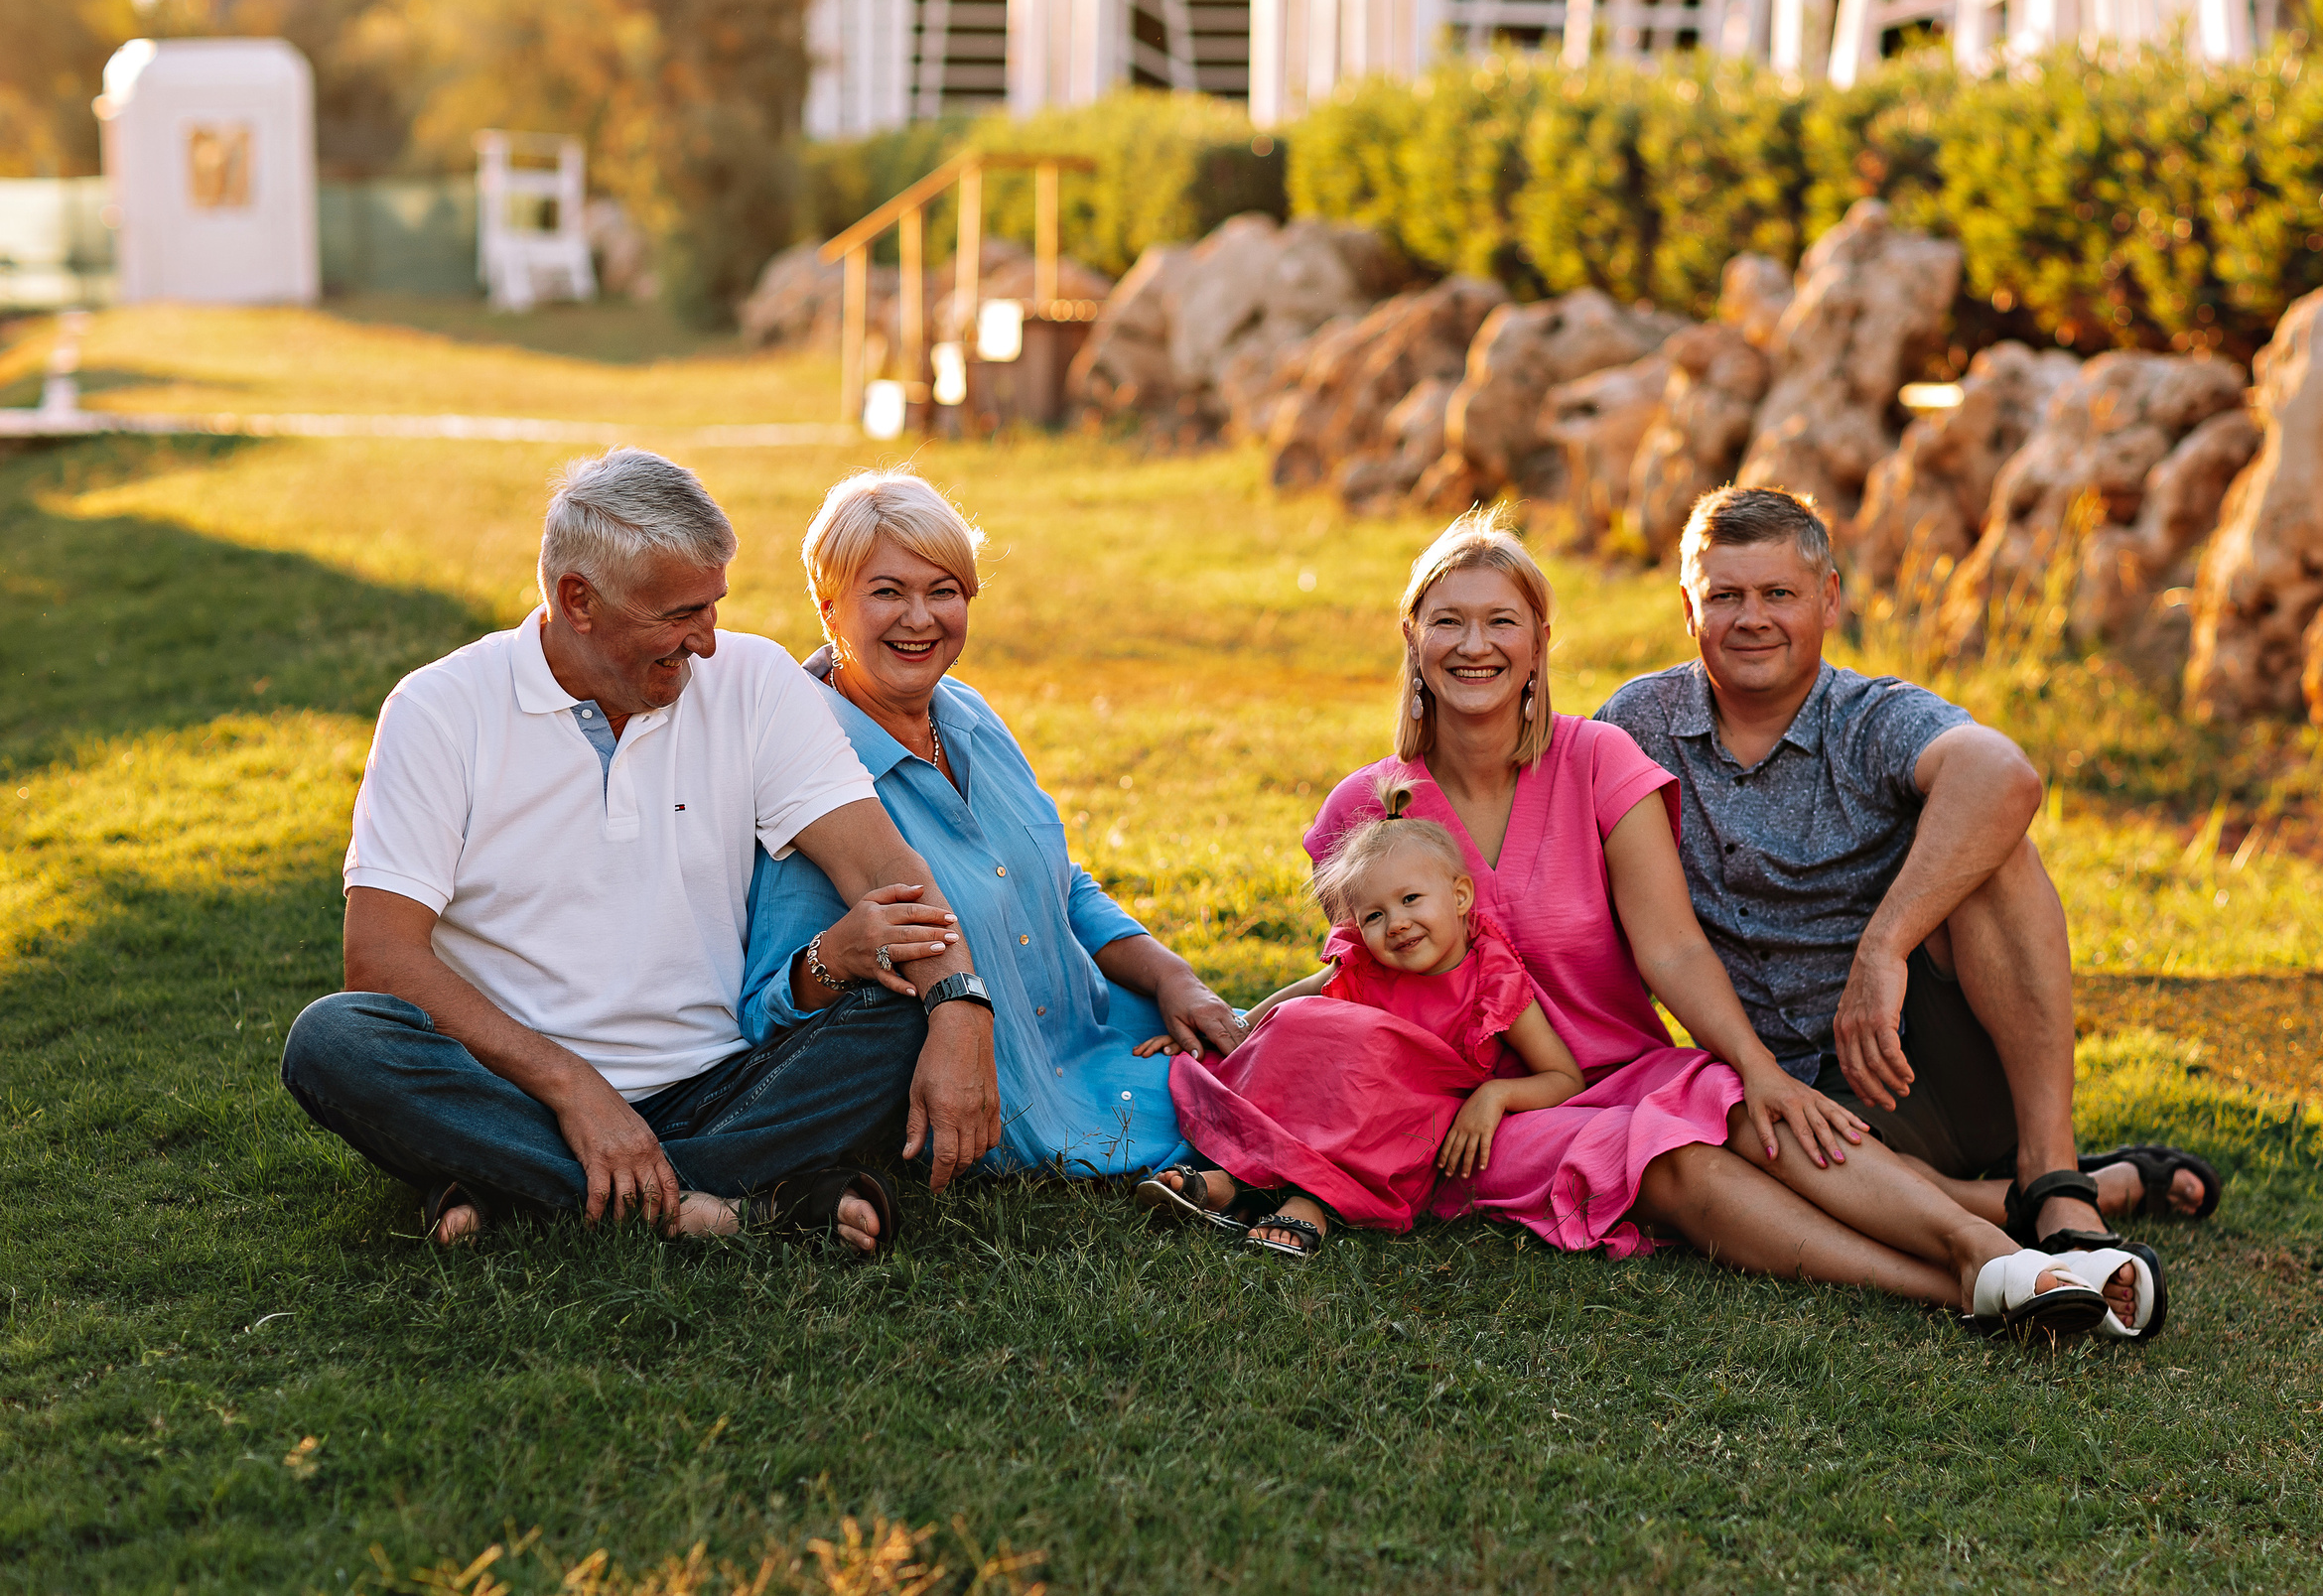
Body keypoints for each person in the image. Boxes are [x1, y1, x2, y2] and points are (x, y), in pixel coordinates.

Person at [1306, 507, 2159, 1337]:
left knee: (1746, 1108)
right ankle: (1976, 1279)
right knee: (1672, 1163)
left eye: (1501, 621)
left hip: (1637, 1070)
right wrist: (1242, 1024)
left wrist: (1758, 1063)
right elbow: (1356, 992)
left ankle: (2004, 1230)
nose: (1475, 645)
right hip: (1481, 1118)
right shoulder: (1369, 806)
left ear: (1537, 645)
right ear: (1413, 638)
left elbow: (1670, 942)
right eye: (1448, 622)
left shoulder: (1599, 755)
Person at [282, 449, 1001, 1254]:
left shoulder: (756, 682)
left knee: (900, 1013)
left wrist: (962, 1005)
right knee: (335, 1040)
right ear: (577, 600)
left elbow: (882, 870)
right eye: (677, 614)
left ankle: (517, 1186)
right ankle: (735, 1204)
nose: (707, 641)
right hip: (514, 1085)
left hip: (725, 1086)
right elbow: (379, 957)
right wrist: (571, 1086)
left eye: (713, 605)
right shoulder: (439, 709)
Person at [1594, 484, 2222, 1255]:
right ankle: (2025, 1197)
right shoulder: (1638, 725)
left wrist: (1882, 948)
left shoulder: (1869, 716)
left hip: (1920, 1061)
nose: (1751, 617)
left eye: (1778, 593)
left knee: (1996, 853)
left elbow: (2005, 774)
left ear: (1828, 600)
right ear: (1689, 609)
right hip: (1768, 1089)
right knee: (1699, 1140)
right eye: (1725, 595)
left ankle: (2056, 1177)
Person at [739, 468, 1245, 1178]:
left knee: (1317, 1042)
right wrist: (834, 956)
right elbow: (765, 1013)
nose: (920, 618)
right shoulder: (815, 776)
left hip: (1107, 1043)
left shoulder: (967, 711)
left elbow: (1059, 885)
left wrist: (1173, 977)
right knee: (1303, 1095)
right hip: (1023, 1109)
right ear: (827, 607)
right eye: (887, 592)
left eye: (943, 591)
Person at [1130, 776, 1585, 1260]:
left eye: (1411, 899)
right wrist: (1228, 1033)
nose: (1397, 924)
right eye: (1374, 916)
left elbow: (1564, 1078)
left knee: (1367, 1051)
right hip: (1328, 1109)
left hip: (1401, 1126)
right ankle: (1234, 1181)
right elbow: (1295, 998)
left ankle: (1314, 1201)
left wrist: (1496, 1094)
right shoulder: (1364, 966)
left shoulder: (1491, 983)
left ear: (1460, 896)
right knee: (1301, 1020)